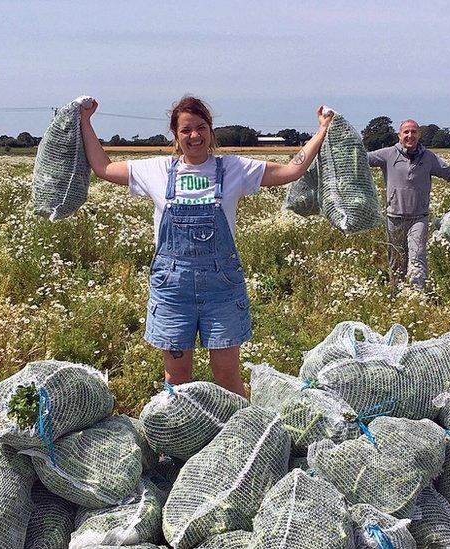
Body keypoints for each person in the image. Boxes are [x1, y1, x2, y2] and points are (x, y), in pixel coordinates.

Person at [80, 96, 333, 397]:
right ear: (175, 134)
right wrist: (85, 120)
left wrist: (322, 130)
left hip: (221, 290)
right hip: (173, 290)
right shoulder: (157, 170)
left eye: (201, 127)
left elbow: (290, 171)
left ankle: (240, 437)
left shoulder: (235, 168)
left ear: (211, 131)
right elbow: (103, 167)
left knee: (227, 378)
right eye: (186, 130)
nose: (194, 135)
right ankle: (179, 439)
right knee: (176, 379)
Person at [368, 119, 450, 291]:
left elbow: (449, 172)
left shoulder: (428, 157)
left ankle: (417, 295)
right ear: (399, 135)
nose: (410, 135)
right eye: (406, 132)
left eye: (413, 132)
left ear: (419, 135)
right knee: (396, 258)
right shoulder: (388, 154)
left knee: (417, 256)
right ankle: (396, 292)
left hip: (419, 218)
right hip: (394, 217)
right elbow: (363, 159)